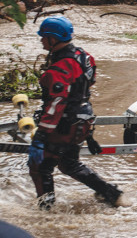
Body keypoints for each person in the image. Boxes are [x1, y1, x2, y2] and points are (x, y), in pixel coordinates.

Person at [29, 16, 131, 210]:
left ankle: (45, 212)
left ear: (54, 39)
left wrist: (41, 135)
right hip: (82, 120)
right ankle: (112, 194)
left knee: (41, 166)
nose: (41, 40)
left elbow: (56, 102)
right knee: (69, 164)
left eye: (44, 37)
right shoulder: (84, 56)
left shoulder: (60, 67)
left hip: (63, 124)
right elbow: (89, 82)